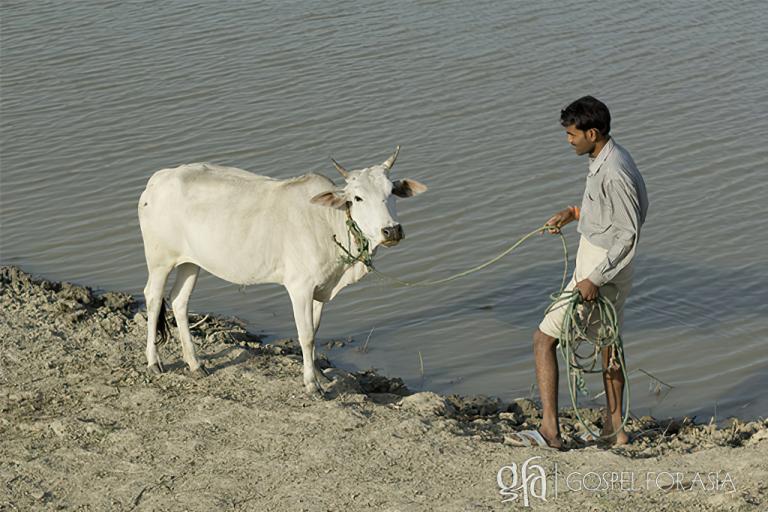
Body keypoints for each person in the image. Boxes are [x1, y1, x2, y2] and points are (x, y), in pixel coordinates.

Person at [510, 96, 648, 450]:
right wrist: (573, 213)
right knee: (608, 344)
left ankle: (550, 431)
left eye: (572, 134)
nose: (568, 140)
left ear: (592, 132)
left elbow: (628, 233)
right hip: (604, 264)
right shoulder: (607, 158)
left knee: (544, 339)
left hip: (600, 268)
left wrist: (594, 278)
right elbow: (613, 216)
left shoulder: (615, 171)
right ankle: (615, 430)